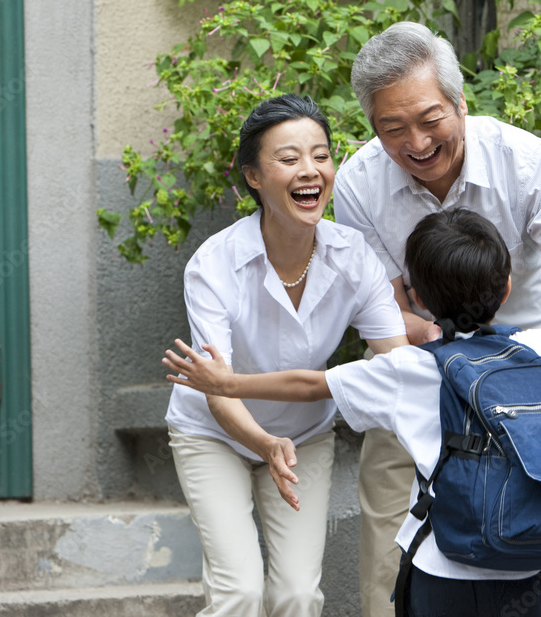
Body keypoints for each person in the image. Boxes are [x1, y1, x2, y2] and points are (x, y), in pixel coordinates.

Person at [164, 201, 541, 617]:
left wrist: (227, 381)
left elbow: (309, 385)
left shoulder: (410, 369)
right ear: (507, 287)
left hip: (442, 568)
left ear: (420, 299)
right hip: (530, 565)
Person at [334, 21, 541, 615]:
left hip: (524, 389)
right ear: (373, 126)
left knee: (523, 552)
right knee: (391, 556)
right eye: (392, 128)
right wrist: (452, 347)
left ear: (461, 103)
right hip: (414, 371)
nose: (414, 142)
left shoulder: (525, 162)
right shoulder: (359, 182)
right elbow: (388, 315)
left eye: (429, 119)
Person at [164, 93, 408, 616]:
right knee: (239, 591)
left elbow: (397, 360)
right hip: (214, 435)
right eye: (289, 158)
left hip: (304, 436)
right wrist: (263, 442)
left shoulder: (353, 257)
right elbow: (216, 387)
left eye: (321, 155)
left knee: (298, 594)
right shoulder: (214, 265)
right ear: (253, 176)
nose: (311, 170)